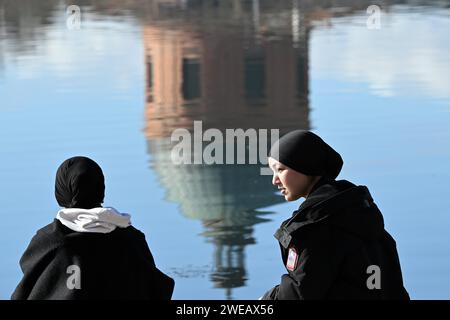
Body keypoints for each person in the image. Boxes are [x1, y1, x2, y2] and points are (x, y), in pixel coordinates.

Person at [261, 130, 409, 300]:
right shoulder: (363, 214)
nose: (274, 180)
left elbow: (300, 295)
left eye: (280, 169)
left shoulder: (316, 229)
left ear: (306, 166)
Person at [11, 156, 174, 300]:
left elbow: (25, 293)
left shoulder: (49, 240)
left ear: (60, 191)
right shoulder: (131, 238)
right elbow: (157, 290)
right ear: (100, 189)